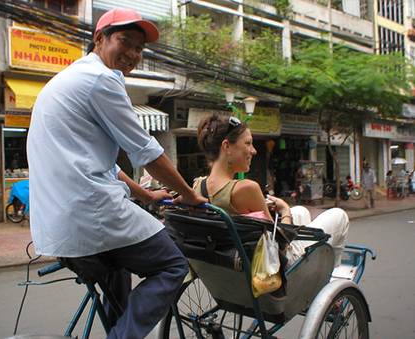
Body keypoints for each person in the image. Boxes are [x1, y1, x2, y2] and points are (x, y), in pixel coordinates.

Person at [27, 8, 206, 339]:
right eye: (125, 41)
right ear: (99, 38)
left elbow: (103, 163)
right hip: (88, 214)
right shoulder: (101, 79)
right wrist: (192, 195)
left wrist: (147, 194)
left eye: (139, 48)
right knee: (174, 265)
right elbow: (148, 151)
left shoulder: (74, 77)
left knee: (119, 272)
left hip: (57, 226)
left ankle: (119, 330)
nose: (133, 54)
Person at [194, 114, 349, 267]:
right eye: (248, 143)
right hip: (272, 264)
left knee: (301, 211)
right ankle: (330, 272)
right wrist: (285, 210)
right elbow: (280, 244)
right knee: (339, 215)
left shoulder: (198, 186)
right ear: (227, 146)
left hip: (231, 260)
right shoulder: (246, 189)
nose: (253, 151)